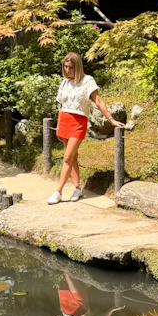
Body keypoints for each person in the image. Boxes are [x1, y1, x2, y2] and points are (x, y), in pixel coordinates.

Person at [47, 51, 125, 204]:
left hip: (78, 122)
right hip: (64, 121)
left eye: (70, 67)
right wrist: (58, 125)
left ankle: (58, 191)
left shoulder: (87, 81)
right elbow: (61, 106)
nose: (67, 70)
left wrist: (110, 119)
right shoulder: (64, 82)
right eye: (65, 67)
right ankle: (77, 188)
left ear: (78, 67)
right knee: (73, 157)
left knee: (67, 157)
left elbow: (98, 101)